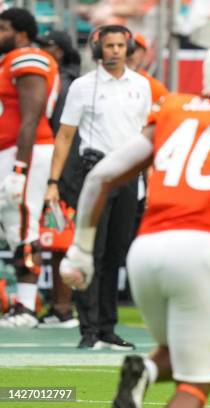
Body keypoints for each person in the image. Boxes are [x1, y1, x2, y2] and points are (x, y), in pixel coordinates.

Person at [60, 30, 210, 408]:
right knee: (195, 383)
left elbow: (100, 177)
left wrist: (81, 251)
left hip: (146, 250)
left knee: (177, 351)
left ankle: (146, 371)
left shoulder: (173, 107)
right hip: (202, 249)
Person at [44, 25, 151, 349]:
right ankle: (88, 329)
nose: (116, 51)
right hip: (96, 175)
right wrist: (52, 181)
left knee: (116, 253)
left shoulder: (141, 85)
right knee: (92, 252)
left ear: (128, 47)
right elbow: (64, 136)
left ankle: (107, 327)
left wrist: (149, 179)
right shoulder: (82, 86)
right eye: (109, 45)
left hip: (130, 176)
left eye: (120, 45)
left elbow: (146, 134)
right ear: (97, 48)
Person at [0, 8, 59, 328]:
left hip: (27, 152)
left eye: (3, 28)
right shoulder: (10, 60)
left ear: (21, 32)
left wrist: (20, 168)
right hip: (12, 151)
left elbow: (31, 116)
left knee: (22, 226)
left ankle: (25, 307)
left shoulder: (28, 58)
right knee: (14, 227)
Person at [35, 29, 81, 328]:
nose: (42, 51)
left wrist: (57, 178)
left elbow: (63, 134)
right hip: (58, 170)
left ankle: (64, 308)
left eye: (48, 47)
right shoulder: (58, 79)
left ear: (61, 51)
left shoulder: (65, 84)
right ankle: (57, 307)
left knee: (62, 239)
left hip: (61, 173)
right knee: (52, 240)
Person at [127, 32, 168, 103]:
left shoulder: (154, 87)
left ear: (144, 53)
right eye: (128, 49)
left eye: (136, 49)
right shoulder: (110, 81)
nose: (131, 54)